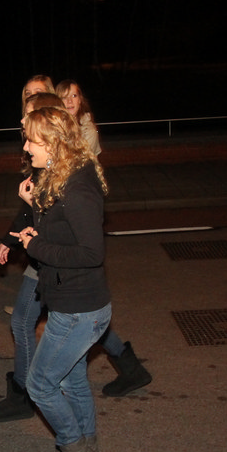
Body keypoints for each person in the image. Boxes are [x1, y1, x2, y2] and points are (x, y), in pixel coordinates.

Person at [11, 105, 111, 452]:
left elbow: (91, 253)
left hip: (78, 310)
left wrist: (35, 247)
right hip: (75, 305)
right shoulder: (63, 175)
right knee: (72, 381)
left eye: (31, 141)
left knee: (40, 385)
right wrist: (33, 210)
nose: (25, 147)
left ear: (53, 143)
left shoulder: (77, 188)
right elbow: (60, 230)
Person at [52, 79, 153, 398]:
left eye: (75, 95)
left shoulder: (85, 131)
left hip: (77, 216)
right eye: (64, 97)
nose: (71, 101)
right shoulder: (59, 128)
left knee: (77, 311)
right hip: (65, 219)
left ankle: (63, 382)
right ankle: (126, 367)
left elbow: (79, 173)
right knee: (75, 310)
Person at [0, 78, 57, 422]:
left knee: (31, 322)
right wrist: (10, 239)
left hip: (50, 259)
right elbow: (34, 211)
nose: (23, 123)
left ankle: (26, 395)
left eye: (29, 116)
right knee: (61, 324)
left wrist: (30, 214)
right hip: (42, 254)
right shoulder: (44, 161)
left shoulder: (61, 170)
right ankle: (28, 391)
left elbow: (54, 219)